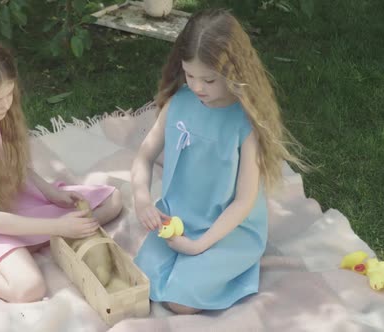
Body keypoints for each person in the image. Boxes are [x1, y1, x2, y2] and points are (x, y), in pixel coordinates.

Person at [0, 36, 122, 303]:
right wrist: (57, 226)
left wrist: (50, 193)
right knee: (28, 289)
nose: (5, 105)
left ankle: (34, 237)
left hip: (12, 196)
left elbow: (14, 163)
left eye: (9, 94)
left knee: (112, 200)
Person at [131, 9, 307, 314]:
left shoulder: (245, 125)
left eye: (209, 79)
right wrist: (143, 200)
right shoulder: (179, 103)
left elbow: (243, 202)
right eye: (190, 75)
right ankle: (197, 266)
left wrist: (200, 246)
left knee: (179, 302)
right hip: (179, 218)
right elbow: (144, 155)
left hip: (229, 229)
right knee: (140, 280)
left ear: (235, 73)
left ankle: (238, 267)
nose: (198, 87)